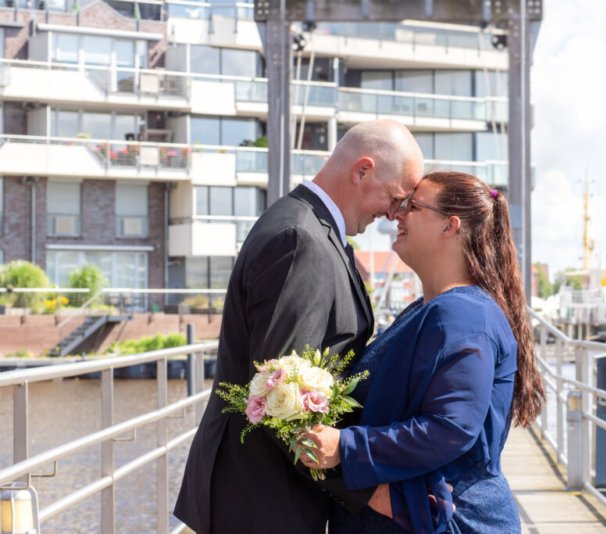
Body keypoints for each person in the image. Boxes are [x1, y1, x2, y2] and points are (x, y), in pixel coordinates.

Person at [174, 119, 424, 533]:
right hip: (261, 501)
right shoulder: (300, 240)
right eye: (396, 197)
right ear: (362, 171)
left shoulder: (314, 230)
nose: (393, 214)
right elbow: (280, 397)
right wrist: (371, 495)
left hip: (271, 493)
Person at [300, 171, 546, 533]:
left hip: (449, 518)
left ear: (450, 226)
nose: (397, 215)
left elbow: (451, 427)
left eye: (413, 206)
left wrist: (346, 446)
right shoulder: (431, 308)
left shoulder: (463, 314)